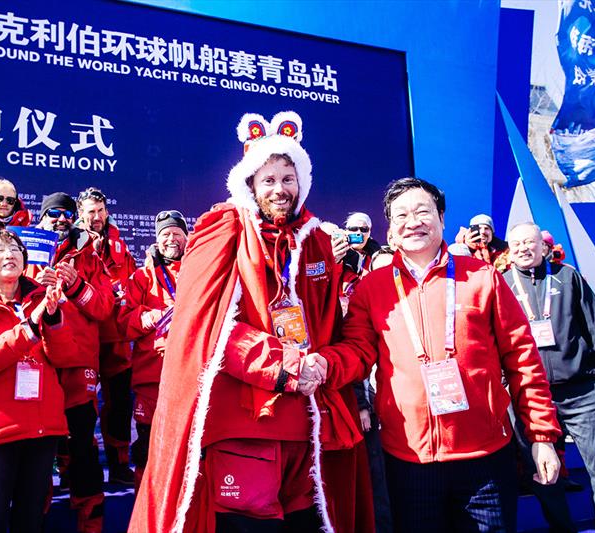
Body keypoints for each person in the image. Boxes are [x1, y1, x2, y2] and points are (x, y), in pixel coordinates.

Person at [130, 111, 373, 533]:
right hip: (246, 425)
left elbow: (340, 329)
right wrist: (285, 366)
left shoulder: (317, 240)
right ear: (249, 184)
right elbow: (203, 325)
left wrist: (326, 365)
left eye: (288, 177)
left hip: (313, 429)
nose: (280, 189)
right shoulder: (223, 226)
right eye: (268, 179)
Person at [323, 178, 562, 532]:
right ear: (390, 229)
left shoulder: (482, 278)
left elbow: (523, 358)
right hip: (409, 459)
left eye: (423, 211)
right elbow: (356, 353)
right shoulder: (371, 289)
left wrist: (542, 437)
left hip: (485, 458)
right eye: (401, 215)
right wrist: (321, 365)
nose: (413, 222)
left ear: (442, 219)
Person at [0, 228, 78, 533]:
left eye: (16, 249)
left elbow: (65, 357)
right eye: (0, 249)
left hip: (42, 429)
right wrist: (28, 329)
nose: (9, 255)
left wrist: (53, 320)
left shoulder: (41, 299)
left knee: (31, 519)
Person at [507, 222, 595, 532]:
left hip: (582, 390)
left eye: (529, 242)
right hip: (531, 395)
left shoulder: (566, 276)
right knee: (543, 470)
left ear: (542, 246)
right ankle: (561, 528)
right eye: (517, 243)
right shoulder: (503, 284)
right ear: (509, 249)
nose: (523, 248)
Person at [27, 193, 114, 533]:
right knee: (38, 446)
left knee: (81, 443)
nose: (60, 220)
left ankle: (90, 522)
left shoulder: (90, 257)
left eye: (65, 214)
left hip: (78, 365)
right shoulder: (25, 251)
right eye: (53, 215)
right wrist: (37, 288)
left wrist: (76, 285)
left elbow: (105, 308)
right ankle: (37, 516)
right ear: (42, 219)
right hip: (36, 364)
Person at [117, 209, 188, 490]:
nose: (171, 239)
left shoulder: (200, 271)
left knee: (190, 452)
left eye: (177, 234)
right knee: (148, 451)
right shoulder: (141, 277)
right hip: (152, 382)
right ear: (157, 241)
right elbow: (124, 322)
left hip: (192, 379)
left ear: (187, 238)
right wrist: (152, 316)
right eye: (165, 234)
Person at [76, 187, 136, 484]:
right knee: (82, 407)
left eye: (100, 210)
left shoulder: (120, 247)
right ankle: (74, 467)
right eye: (90, 211)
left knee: (120, 405)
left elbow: (131, 284)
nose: (96, 217)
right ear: (80, 214)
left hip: (116, 337)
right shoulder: (70, 245)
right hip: (82, 336)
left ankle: (119, 463)